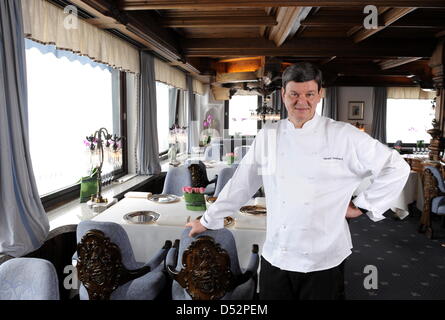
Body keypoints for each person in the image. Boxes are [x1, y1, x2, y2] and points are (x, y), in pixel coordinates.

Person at [186, 62, 410, 300]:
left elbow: (396, 167)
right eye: (294, 94)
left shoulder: (343, 135)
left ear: (320, 94)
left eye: (309, 94)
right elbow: (242, 184)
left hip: (325, 258)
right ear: (283, 95)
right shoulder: (269, 136)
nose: (301, 101)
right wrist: (208, 220)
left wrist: (363, 205)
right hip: (278, 254)